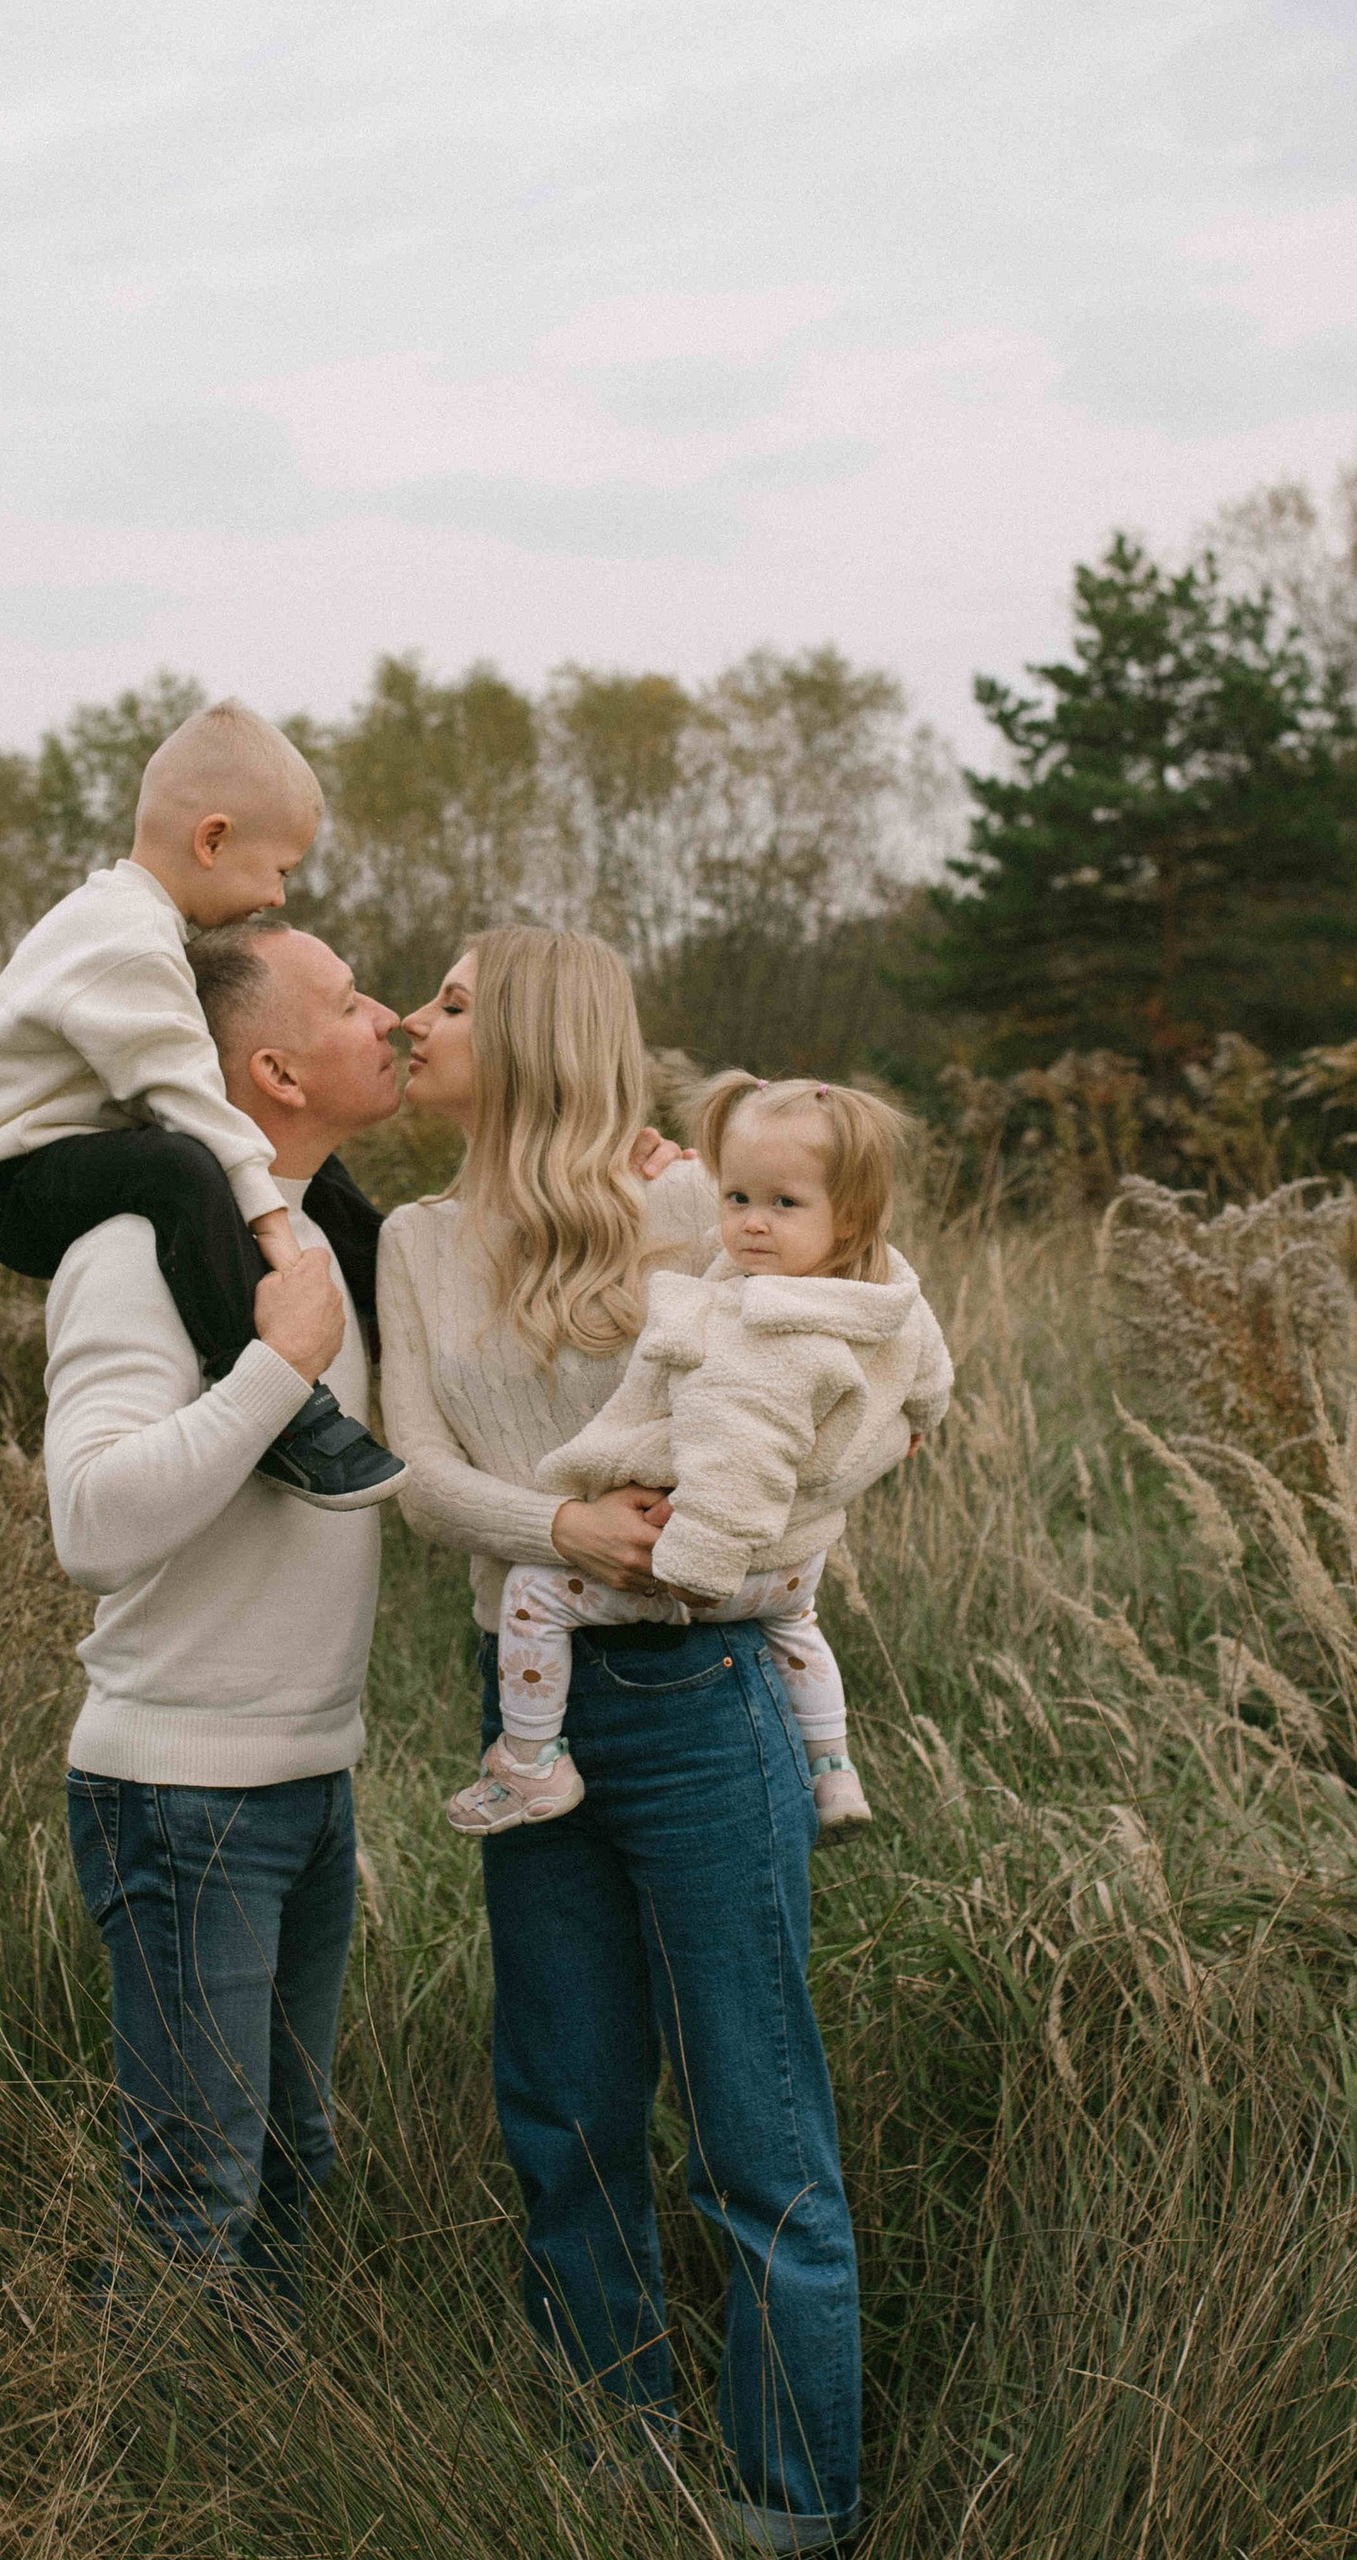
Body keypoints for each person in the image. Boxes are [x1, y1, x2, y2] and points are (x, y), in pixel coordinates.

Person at [377, 928, 866, 2553]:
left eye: (451, 1001)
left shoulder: (689, 1210)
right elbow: (415, 1470)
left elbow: (825, 1389)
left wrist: (751, 1541)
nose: (413, 1020)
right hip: (521, 1700)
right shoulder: (414, 1238)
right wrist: (563, 1526)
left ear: (531, 1032)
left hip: (695, 1694)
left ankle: (792, 2505)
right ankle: (610, 2466)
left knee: (756, 2129)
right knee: (566, 2108)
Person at [46, 918, 401, 2306]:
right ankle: (127, 2483)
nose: (386, 1019)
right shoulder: (134, 1252)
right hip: (184, 1794)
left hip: (310, 1781)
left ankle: (255, 2461)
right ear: (276, 1070)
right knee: (196, 2188)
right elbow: (92, 1524)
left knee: (293, 2158)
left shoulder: (322, 1236)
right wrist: (277, 1373)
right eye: (352, 1000)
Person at [448, 1070, 951, 1841]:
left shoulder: (762, 1335)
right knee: (799, 1627)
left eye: (785, 1204)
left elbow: (738, 1457)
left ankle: (532, 1759)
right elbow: (926, 1364)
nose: (752, 1224)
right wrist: (921, 1416)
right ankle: (831, 1769)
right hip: (794, 1564)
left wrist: (694, 1564)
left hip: (721, 1563)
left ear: (847, 1220)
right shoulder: (883, 1288)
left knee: (532, 1595)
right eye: (737, 1197)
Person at [0, 699, 405, 1510]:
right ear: (212, 839)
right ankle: (284, 1412)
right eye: (281, 869)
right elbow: (199, 1110)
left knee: (302, 1171)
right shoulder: (127, 942)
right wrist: (281, 1251)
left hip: (71, 1147)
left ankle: (393, 1293)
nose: (280, 896)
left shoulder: (133, 923)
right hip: (7, 1182)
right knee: (181, 1167)